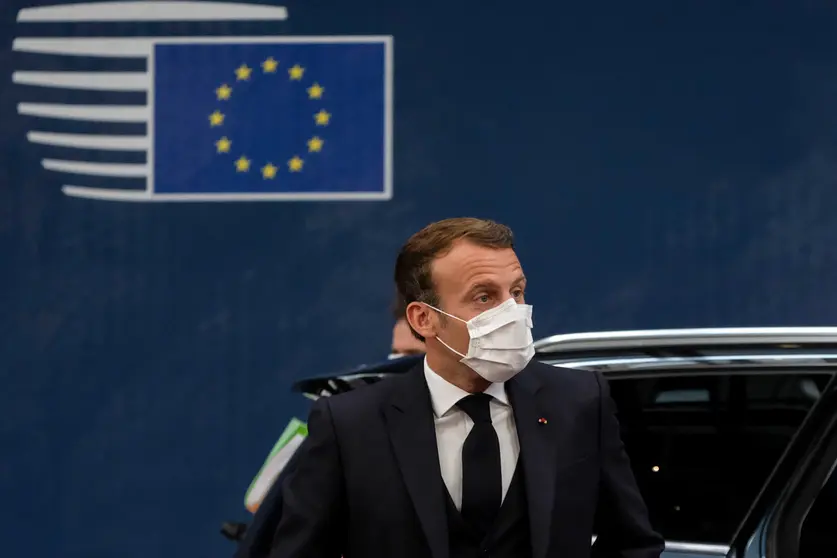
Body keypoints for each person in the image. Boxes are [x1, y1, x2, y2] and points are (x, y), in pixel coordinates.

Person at [270, 217, 664, 558]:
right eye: (484, 296)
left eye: (517, 292)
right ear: (424, 319)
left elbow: (631, 541)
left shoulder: (579, 402)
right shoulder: (350, 425)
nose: (511, 311)